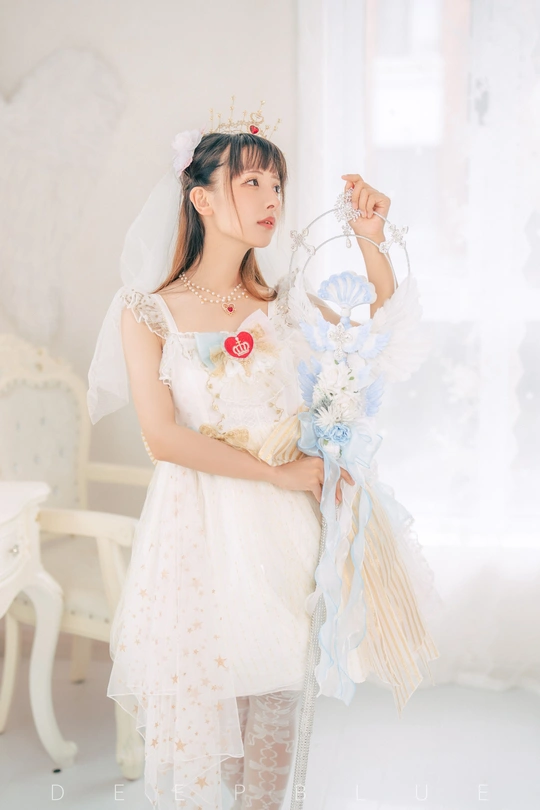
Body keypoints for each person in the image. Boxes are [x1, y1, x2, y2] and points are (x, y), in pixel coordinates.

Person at [87, 117, 440, 810]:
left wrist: (370, 241)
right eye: (250, 181)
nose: (271, 197)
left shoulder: (282, 306)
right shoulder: (147, 312)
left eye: (277, 183)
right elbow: (163, 438)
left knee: (276, 725)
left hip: (283, 533)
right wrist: (276, 473)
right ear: (201, 199)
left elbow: (376, 343)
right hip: (201, 533)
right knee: (218, 729)